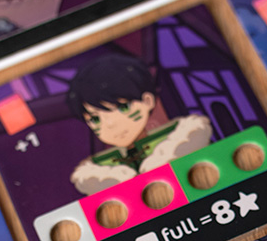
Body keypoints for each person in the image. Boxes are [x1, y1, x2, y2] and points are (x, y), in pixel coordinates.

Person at [66, 53, 212, 195]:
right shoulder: (99, 170)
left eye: (123, 108)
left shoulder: (184, 141)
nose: (110, 124)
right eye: (95, 119)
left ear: (148, 101)